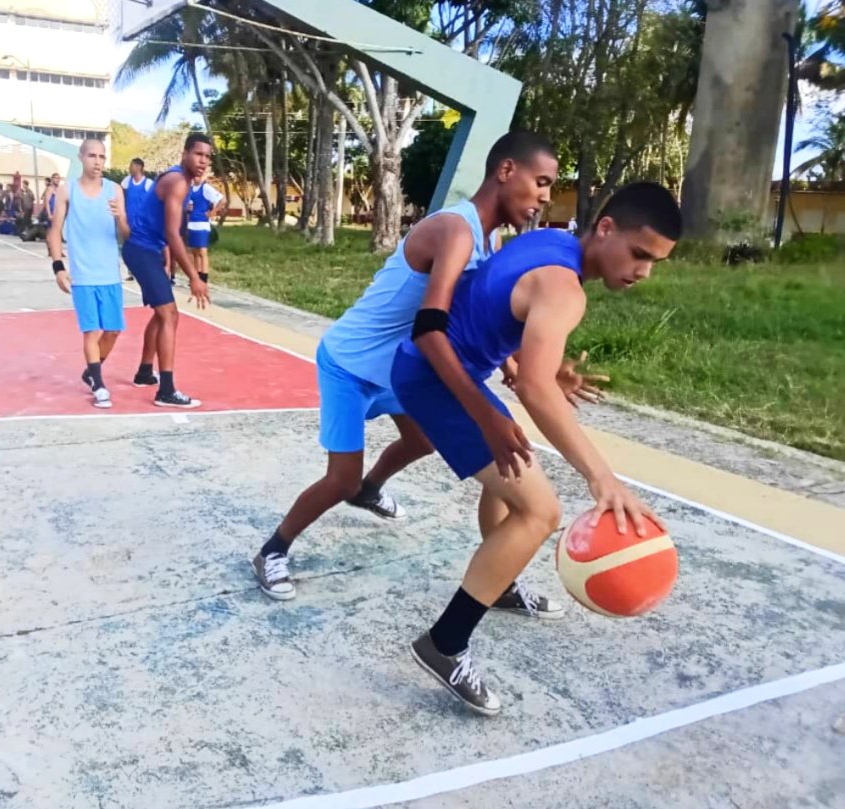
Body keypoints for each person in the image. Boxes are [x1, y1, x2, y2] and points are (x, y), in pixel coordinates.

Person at [252, 130, 582, 618]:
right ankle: (273, 550)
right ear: (506, 171)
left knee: (423, 441)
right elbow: (433, 324)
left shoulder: (490, 241)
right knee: (339, 480)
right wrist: (486, 412)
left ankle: (374, 490)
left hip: (400, 371)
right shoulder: (457, 230)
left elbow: (470, 315)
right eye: (541, 182)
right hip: (350, 365)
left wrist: (517, 367)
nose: (545, 198)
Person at [390, 182, 682, 715]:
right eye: (639, 254)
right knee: (541, 511)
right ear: (607, 228)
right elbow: (535, 391)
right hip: (436, 380)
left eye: (656, 262)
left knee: (514, 471)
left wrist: (533, 365)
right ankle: (446, 642)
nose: (643, 271)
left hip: (441, 370)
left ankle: (497, 585)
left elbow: (497, 297)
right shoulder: (567, 290)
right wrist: (603, 478)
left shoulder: (550, 240)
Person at [122, 132, 211, 407]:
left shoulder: (181, 181)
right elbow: (173, 233)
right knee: (170, 314)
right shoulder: (178, 182)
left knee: (163, 314)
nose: (203, 161)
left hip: (148, 250)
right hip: (141, 249)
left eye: (208, 157)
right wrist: (194, 277)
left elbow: (169, 232)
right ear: (184, 154)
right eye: (198, 154)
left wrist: (168, 260)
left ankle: (145, 373)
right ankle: (166, 390)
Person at [47, 139, 130, 409]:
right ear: (81, 157)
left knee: (113, 331)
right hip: (82, 275)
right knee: (91, 331)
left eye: (102, 157)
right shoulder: (66, 190)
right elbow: (55, 230)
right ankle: (98, 382)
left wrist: (120, 218)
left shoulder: (115, 190)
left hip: (110, 273)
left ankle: (90, 371)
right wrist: (59, 267)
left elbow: (126, 235)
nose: (98, 161)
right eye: (92, 155)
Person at [121, 158, 154, 281]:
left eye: (132, 165)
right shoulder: (126, 181)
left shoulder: (148, 183)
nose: (130, 168)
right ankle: (131, 271)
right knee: (129, 245)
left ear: (139, 167)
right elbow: (120, 194)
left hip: (142, 221)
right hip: (129, 219)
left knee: (142, 245)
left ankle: (144, 269)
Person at [186, 178, 225, 282]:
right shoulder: (190, 189)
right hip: (191, 223)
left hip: (202, 223)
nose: (196, 178)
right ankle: (196, 276)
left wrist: (212, 213)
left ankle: (204, 277)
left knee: (203, 251)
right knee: (194, 251)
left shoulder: (206, 188)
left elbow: (222, 200)